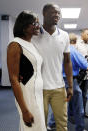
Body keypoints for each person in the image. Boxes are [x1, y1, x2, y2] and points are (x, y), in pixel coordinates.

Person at [32, 3, 73, 131]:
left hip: (59, 88)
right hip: (39, 88)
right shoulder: (34, 35)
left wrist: (70, 85)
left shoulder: (64, 35)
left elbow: (67, 61)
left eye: (58, 13)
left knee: (62, 124)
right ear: (44, 13)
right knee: (40, 125)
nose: (57, 15)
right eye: (53, 12)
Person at [7, 10, 47, 131]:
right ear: (24, 26)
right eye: (34, 23)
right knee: (33, 126)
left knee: (37, 126)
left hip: (37, 93)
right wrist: (24, 110)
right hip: (28, 93)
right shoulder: (15, 44)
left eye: (38, 23)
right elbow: (13, 79)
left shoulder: (31, 44)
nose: (38, 26)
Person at [63, 33, 88, 131]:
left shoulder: (62, 50)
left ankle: (51, 124)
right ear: (75, 41)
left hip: (60, 80)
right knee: (79, 106)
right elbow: (85, 65)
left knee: (62, 103)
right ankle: (80, 128)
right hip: (71, 81)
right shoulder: (73, 51)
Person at [76, 29, 88, 118]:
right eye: (87, 34)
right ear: (82, 34)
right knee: (76, 93)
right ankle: (75, 112)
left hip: (87, 75)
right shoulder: (77, 44)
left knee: (85, 94)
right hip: (78, 74)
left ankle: (83, 112)